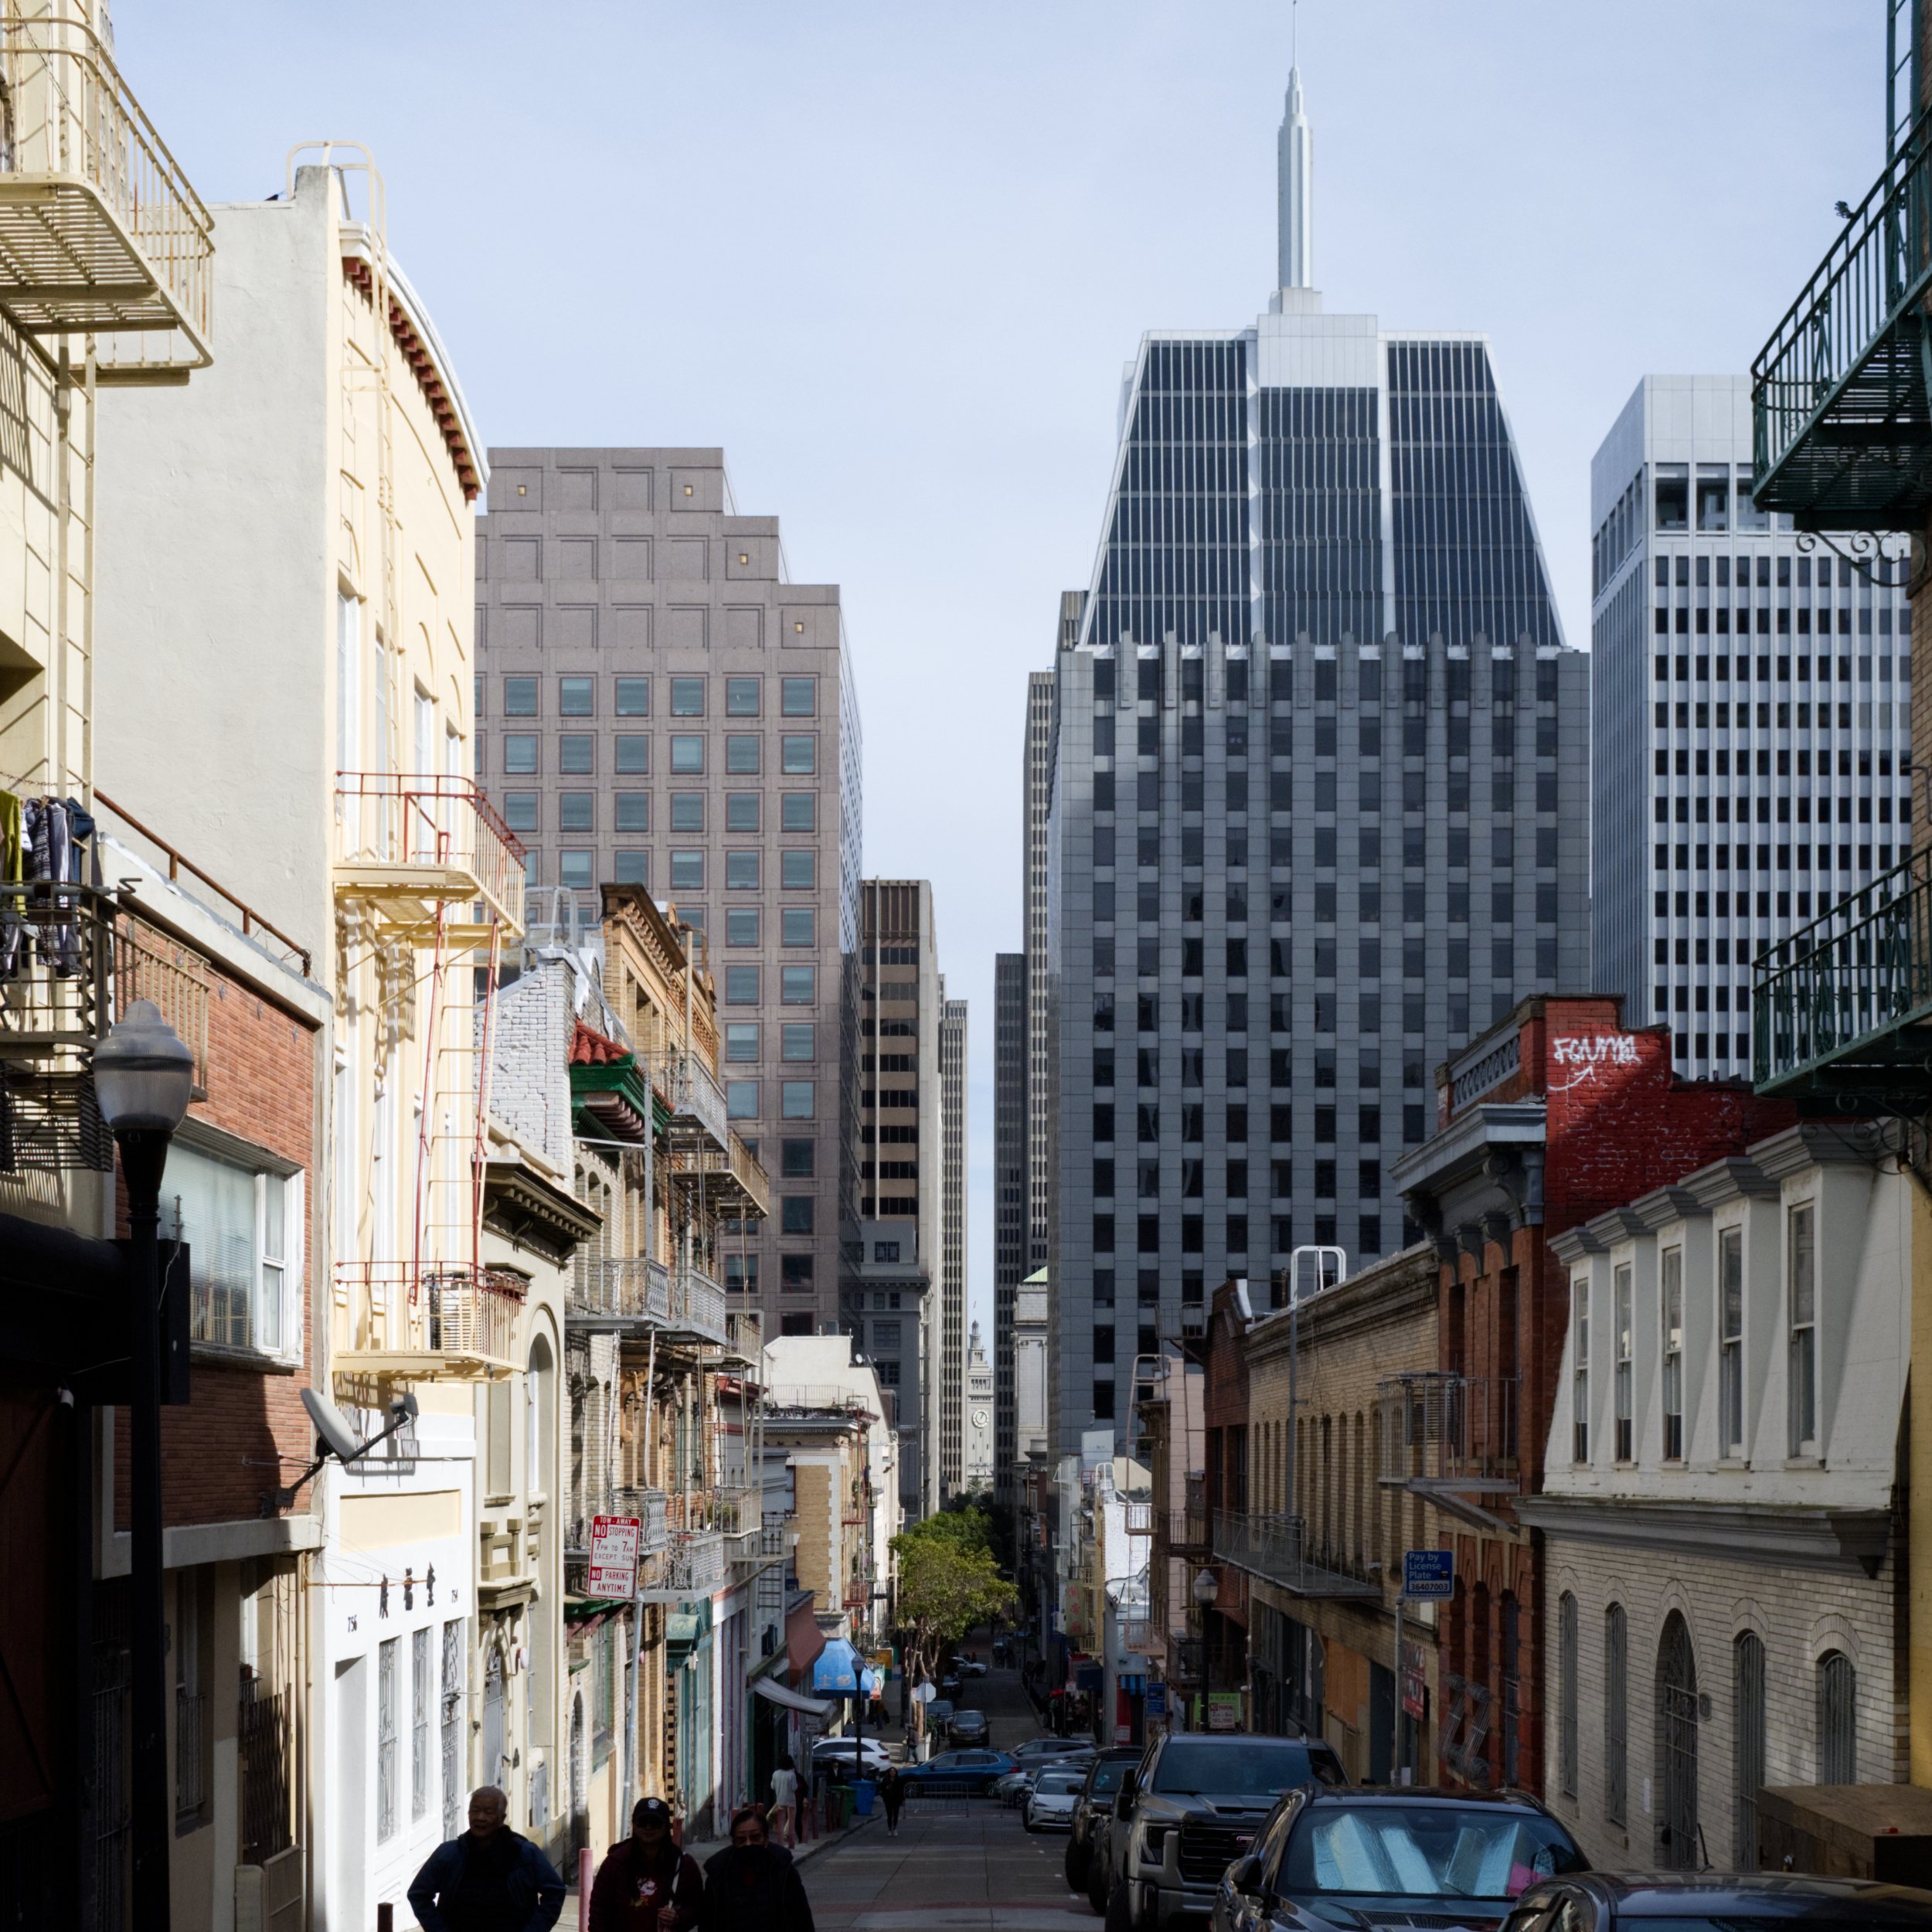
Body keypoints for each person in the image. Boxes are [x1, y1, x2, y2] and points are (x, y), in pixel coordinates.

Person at [407, 1784, 566, 1932]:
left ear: (501, 1818)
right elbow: (418, 1894)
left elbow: (555, 1892)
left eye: (488, 1812)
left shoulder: (524, 1854)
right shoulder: (449, 1854)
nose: (480, 1818)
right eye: (475, 1811)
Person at [588, 1796, 705, 1932]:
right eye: (642, 1822)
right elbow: (599, 1909)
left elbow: (698, 1907)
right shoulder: (615, 1863)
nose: (648, 1828)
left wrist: (679, 1917)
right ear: (634, 1825)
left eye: (655, 1823)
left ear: (666, 1826)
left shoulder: (683, 1864)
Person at [701, 1804, 815, 1932]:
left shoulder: (783, 1870)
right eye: (741, 1840)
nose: (748, 1844)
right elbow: (708, 1922)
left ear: (766, 1840)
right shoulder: (719, 1874)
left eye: (755, 1837)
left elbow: (802, 1917)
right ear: (734, 1843)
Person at [768, 1760, 799, 1848]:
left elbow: (772, 1787)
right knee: (791, 1818)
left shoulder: (775, 1774)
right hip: (790, 1800)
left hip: (779, 1799)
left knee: (779, 1817)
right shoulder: (791, 1774)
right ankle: (785, 1834)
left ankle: (779, 1832)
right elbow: (794, 1788)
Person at [879, 1766, 905, 1838]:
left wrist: (903, 1799)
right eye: (891, 1771)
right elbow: (882, 1789)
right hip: (888, 1800)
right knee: (889, 1815)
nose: (892, 1773)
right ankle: (890, 1829)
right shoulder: (886, 1780)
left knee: (895, 1815)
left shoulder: (899, 1780)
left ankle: (895, 1828)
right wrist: (886, 1789)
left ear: (896, 1772)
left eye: (894, 1771)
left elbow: (901, 1791)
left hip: (896, 1800)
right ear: (889, 1773)